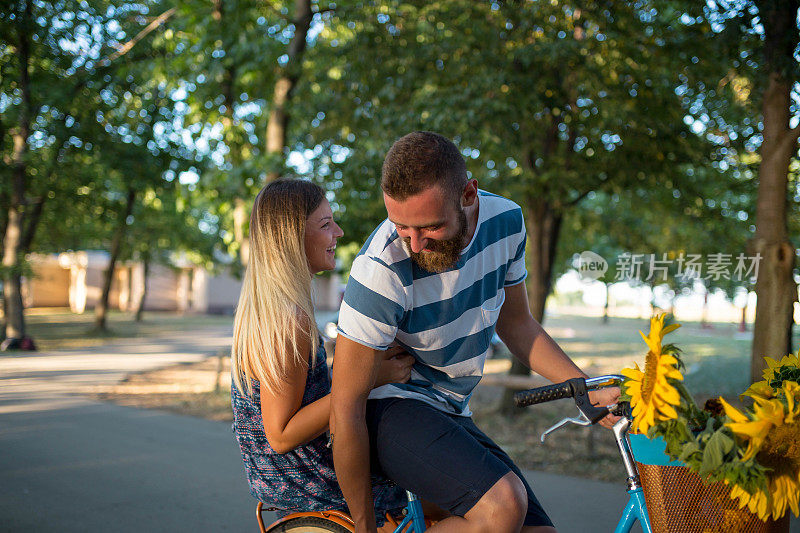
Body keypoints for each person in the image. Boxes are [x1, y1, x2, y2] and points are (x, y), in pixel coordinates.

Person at [330, 131, 620, 533]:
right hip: (391, 410)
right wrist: (363, 527)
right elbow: (345, 408)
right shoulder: (380, 269)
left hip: (451, 410)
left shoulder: (507, 223)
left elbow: (517, 324)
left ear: (468, 194)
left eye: (430, 227)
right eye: (401, 227)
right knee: (502, 508)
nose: (414, 244)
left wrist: (584, 388)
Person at [230, 179, 413, 528]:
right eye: (326, 224)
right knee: (431, 488)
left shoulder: (279, 308)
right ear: (291, 237)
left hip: (289, 473)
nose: (339, 233)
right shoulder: (289, 322)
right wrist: (370, 378)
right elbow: (281, 435)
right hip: (302, 478)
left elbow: (302, 391)